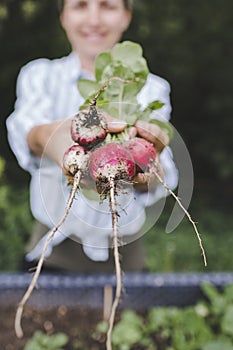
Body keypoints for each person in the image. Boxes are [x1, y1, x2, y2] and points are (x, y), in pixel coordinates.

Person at [6, 0, 178, 273]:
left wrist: (147, 168)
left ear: (126, 16)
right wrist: (60, 140)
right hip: (52, 249)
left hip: (126, 249)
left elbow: (159, 171)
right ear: (63, 16)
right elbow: (29, 135)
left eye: (108, 6)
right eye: (80, 5)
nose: (94, 19)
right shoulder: (39, 76)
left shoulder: (152, 88)